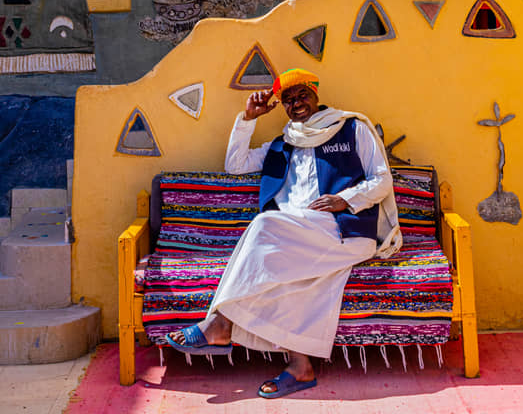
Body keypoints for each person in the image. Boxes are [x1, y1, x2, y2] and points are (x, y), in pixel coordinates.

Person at [167, 67, 401, 399]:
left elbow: (382, 179)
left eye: (302, 94)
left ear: (316, 94)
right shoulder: (282, 145)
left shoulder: (350, 129)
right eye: (288, 100)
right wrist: (249, 118)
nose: (296, 103)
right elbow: (236, 164)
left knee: (263, 223)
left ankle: (221, 323)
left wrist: (344, 200)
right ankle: (300, 368)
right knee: (293, 275)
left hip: (342, 231)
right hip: (293, 238)